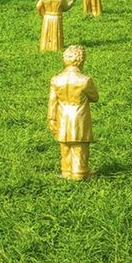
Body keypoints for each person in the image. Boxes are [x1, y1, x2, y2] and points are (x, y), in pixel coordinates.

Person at [48, 45, 99, 180]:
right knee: (80, 145)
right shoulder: (85, 80)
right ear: (81, 60)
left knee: (65, 145)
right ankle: (79, 172)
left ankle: (66, 170)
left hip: (62, 117)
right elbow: (95, 97)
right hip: (79, 117)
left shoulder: (56, 79)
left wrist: (51, 119)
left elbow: (52, 102)